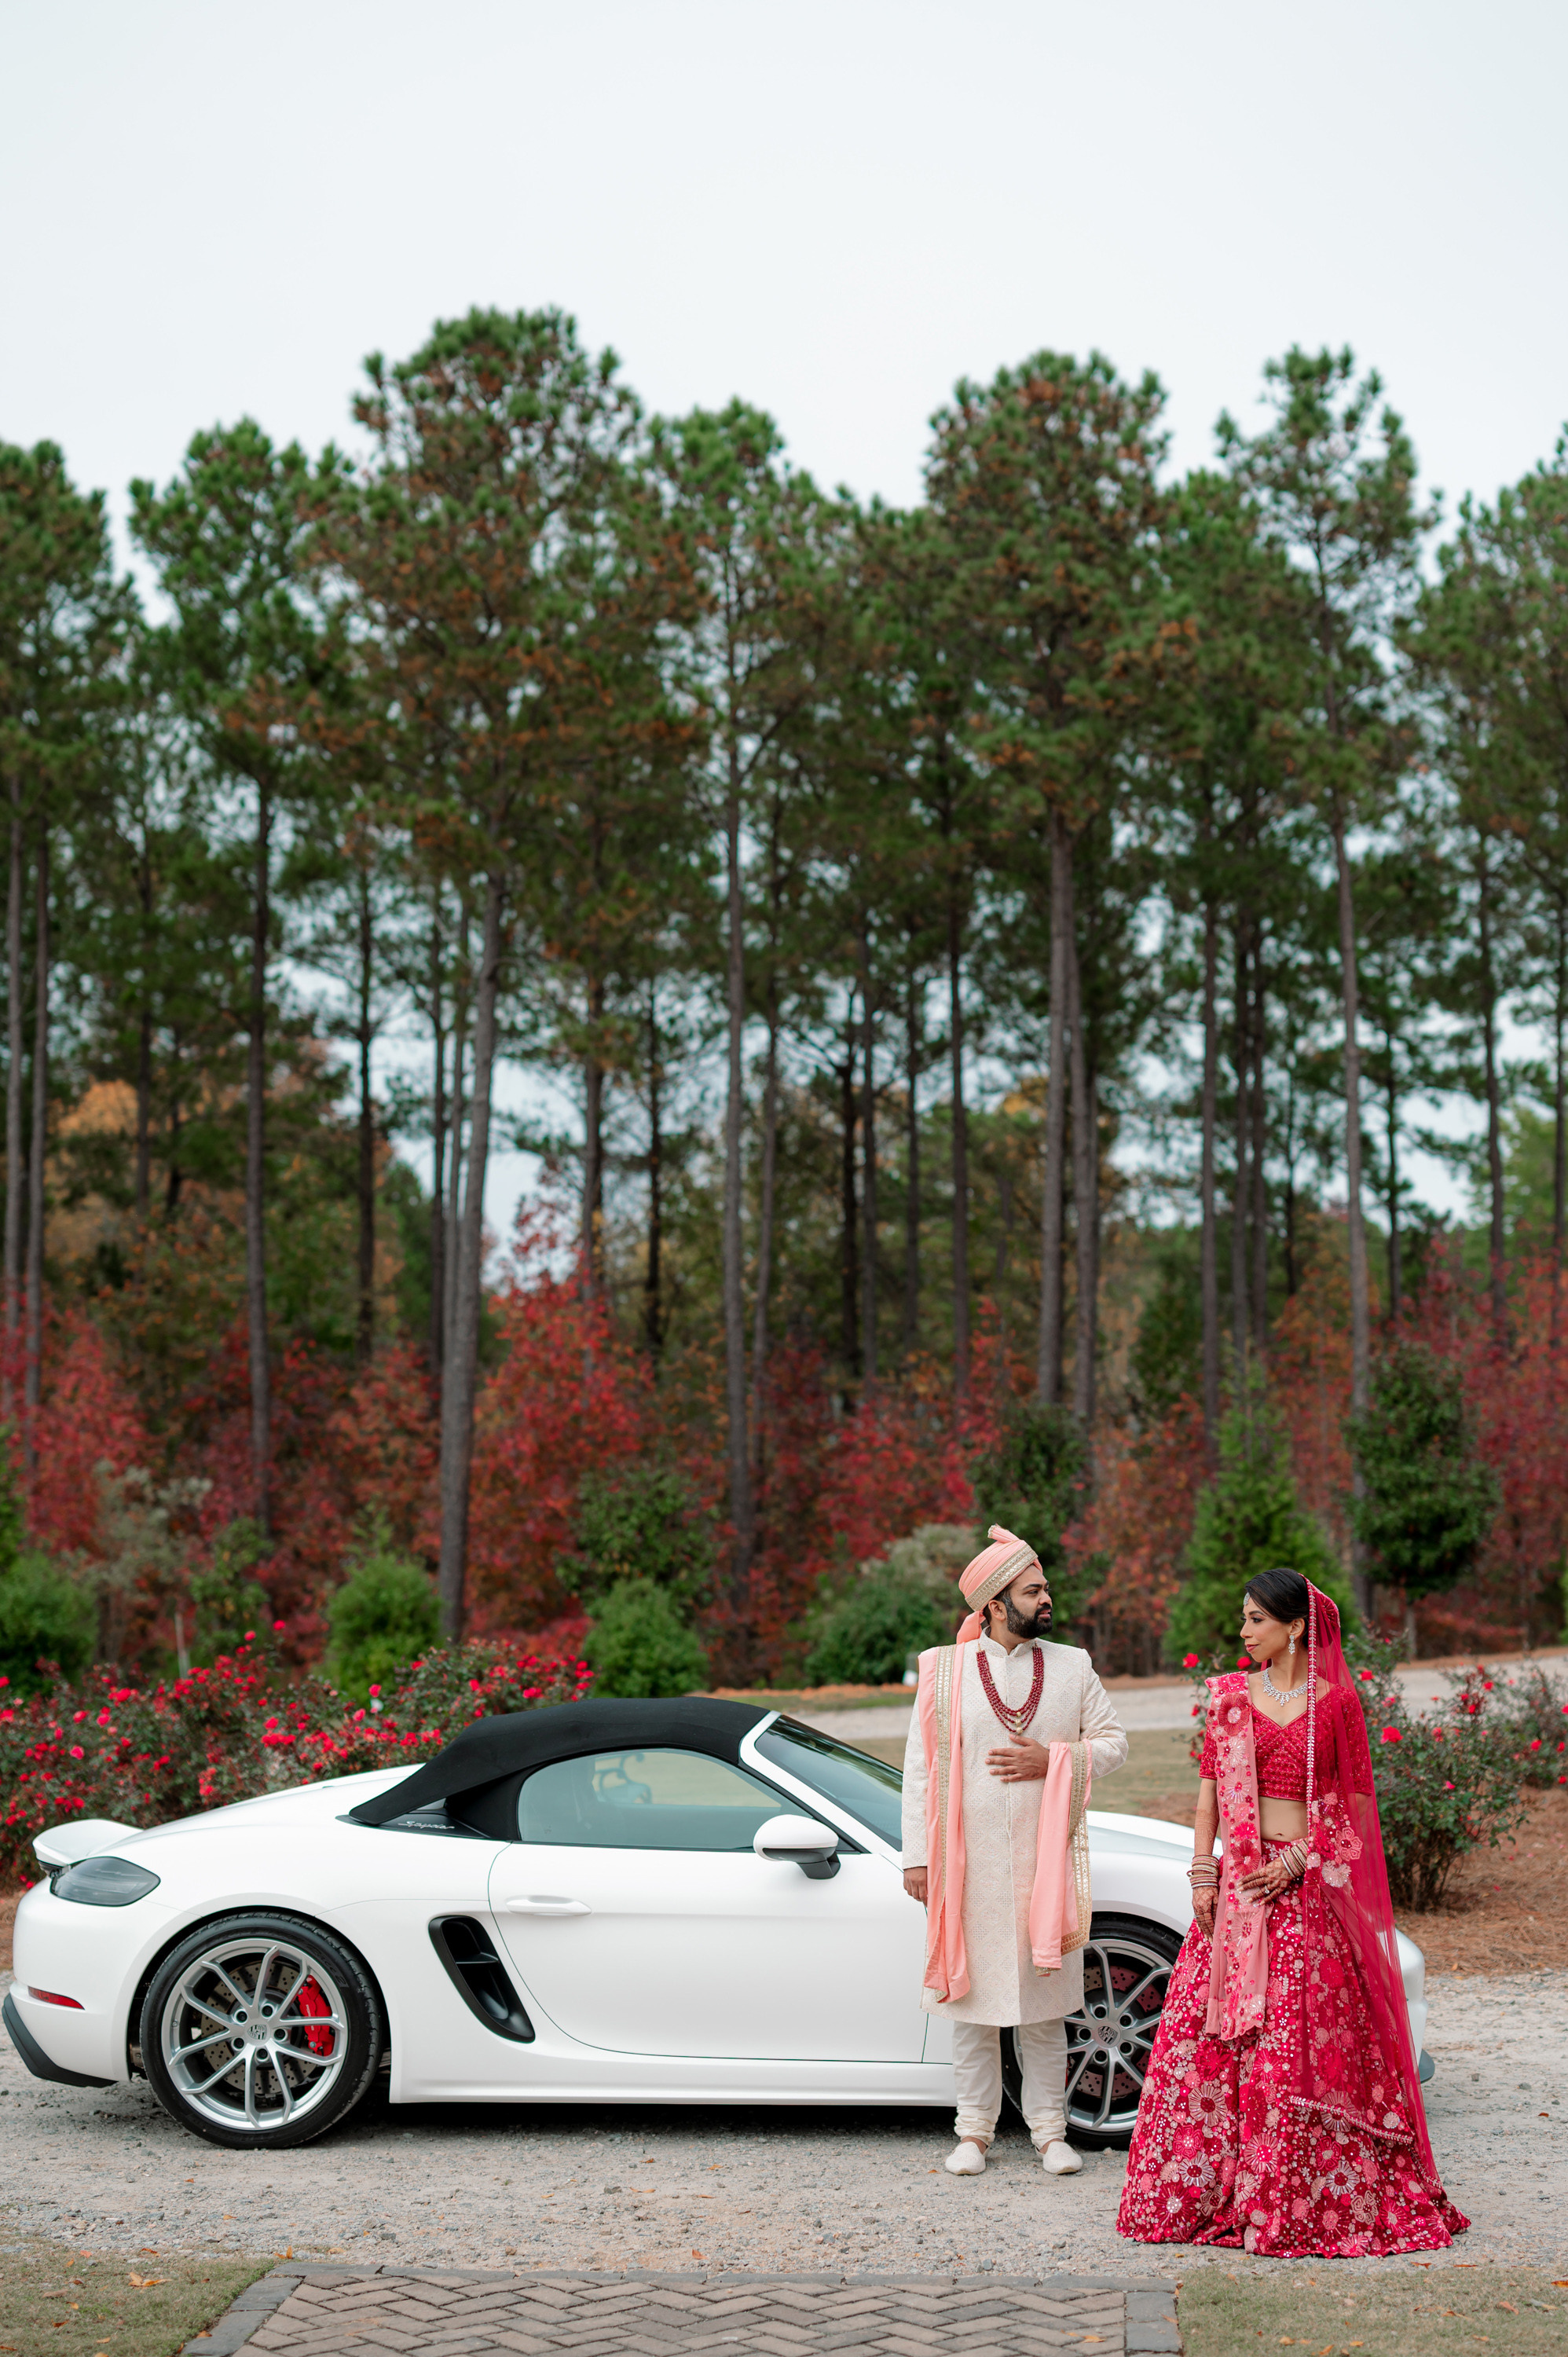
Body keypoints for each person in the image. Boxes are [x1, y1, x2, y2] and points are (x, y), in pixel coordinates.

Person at [1116, 1567, 1468, 2257]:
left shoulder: (1334, 1705)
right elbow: (1210, 1792)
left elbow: (1356, 1811)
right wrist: (1201, 1872)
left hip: (1303, 1894)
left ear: (1295, 1627)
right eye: (1243, 1619)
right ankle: (1220, 2191)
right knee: (1219, 2043)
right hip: (1239, 1889)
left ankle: (1293, 2192)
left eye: (1255, 1619)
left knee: (1297, 2047)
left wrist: (1298, 1859)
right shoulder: (1227, 1700)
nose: (1244, 1632)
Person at [902, 1524, 1128, 2179]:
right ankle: (972, 2135)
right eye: (1034, 1590)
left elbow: (1112, 1742)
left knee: (1043, 2009)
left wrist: (1054, 1760)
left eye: (1046, 1587)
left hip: (1041, 1866)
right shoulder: (943, 1670)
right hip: (964, 1868)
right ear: (996, 1604)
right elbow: (921, 1768)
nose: (1047, 1598)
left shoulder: (1071, 1665)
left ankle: (1049, 2134)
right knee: (969, 2007)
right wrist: (918, 1857)